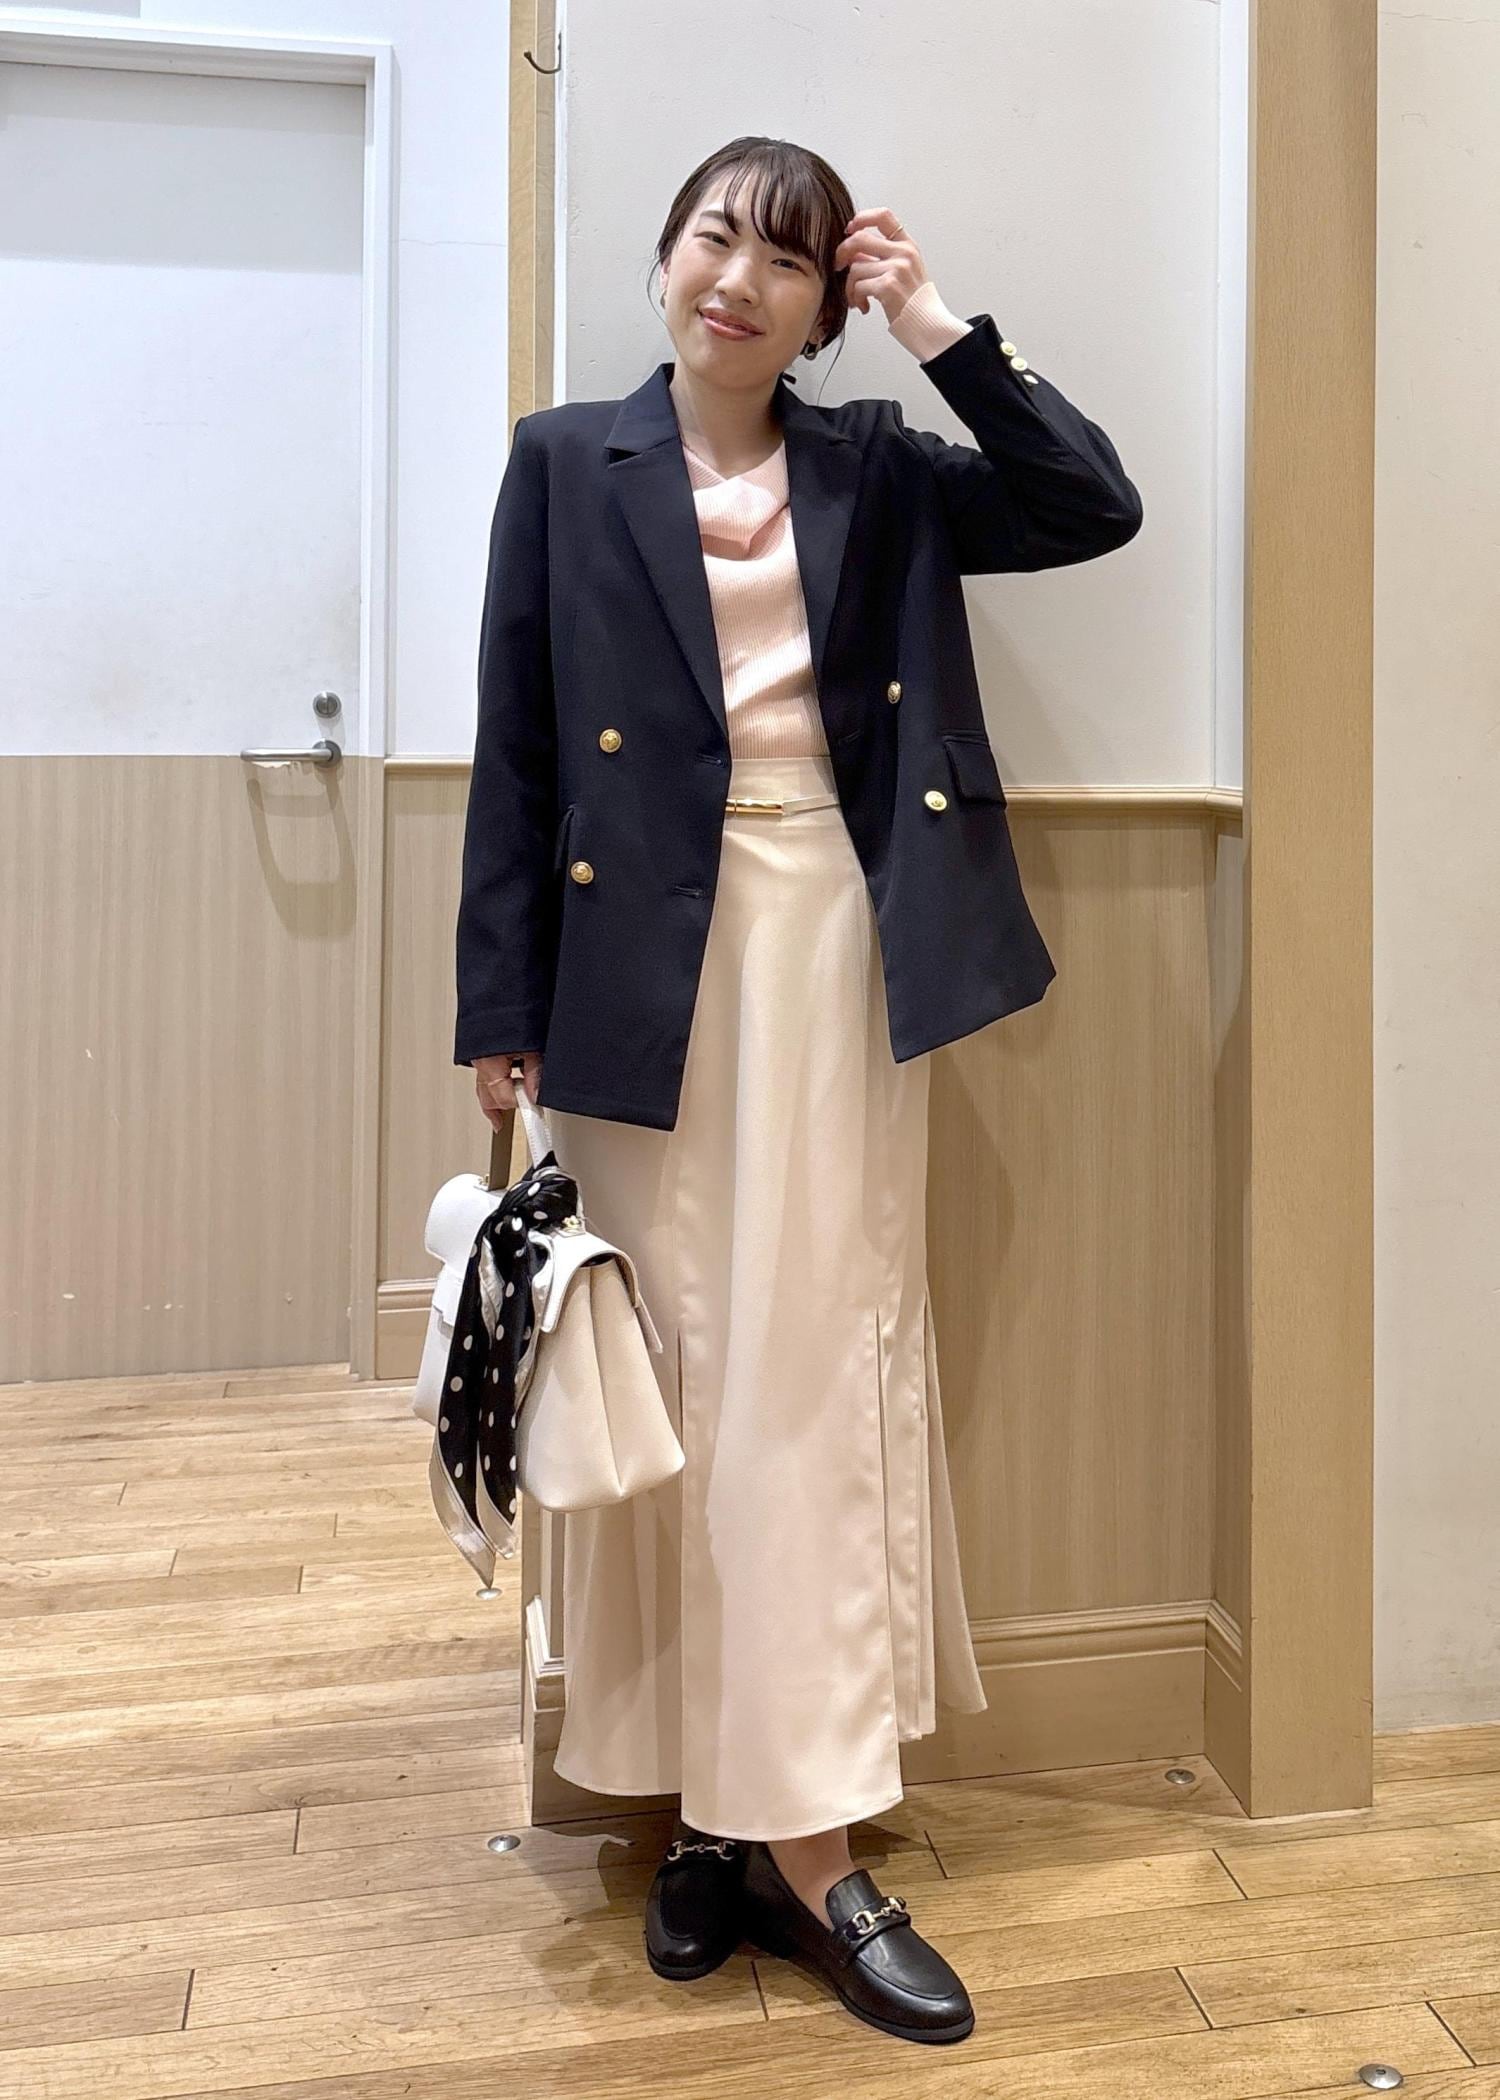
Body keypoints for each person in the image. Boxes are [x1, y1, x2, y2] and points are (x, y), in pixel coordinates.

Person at [455, 136, 1142, 2046]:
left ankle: (818, 1842)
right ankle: (705, 1816)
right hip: (629, 979)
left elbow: (1090, 504)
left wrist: (939, 326)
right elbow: (516, 747)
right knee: (667, 1381)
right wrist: (496, 1004)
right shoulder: (560, 463)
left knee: (811, 1374)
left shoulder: (879, 470)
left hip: (827, 940)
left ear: (822, 304)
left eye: (783, 259)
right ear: (666, 258)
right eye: (712, 239)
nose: (736, 282)